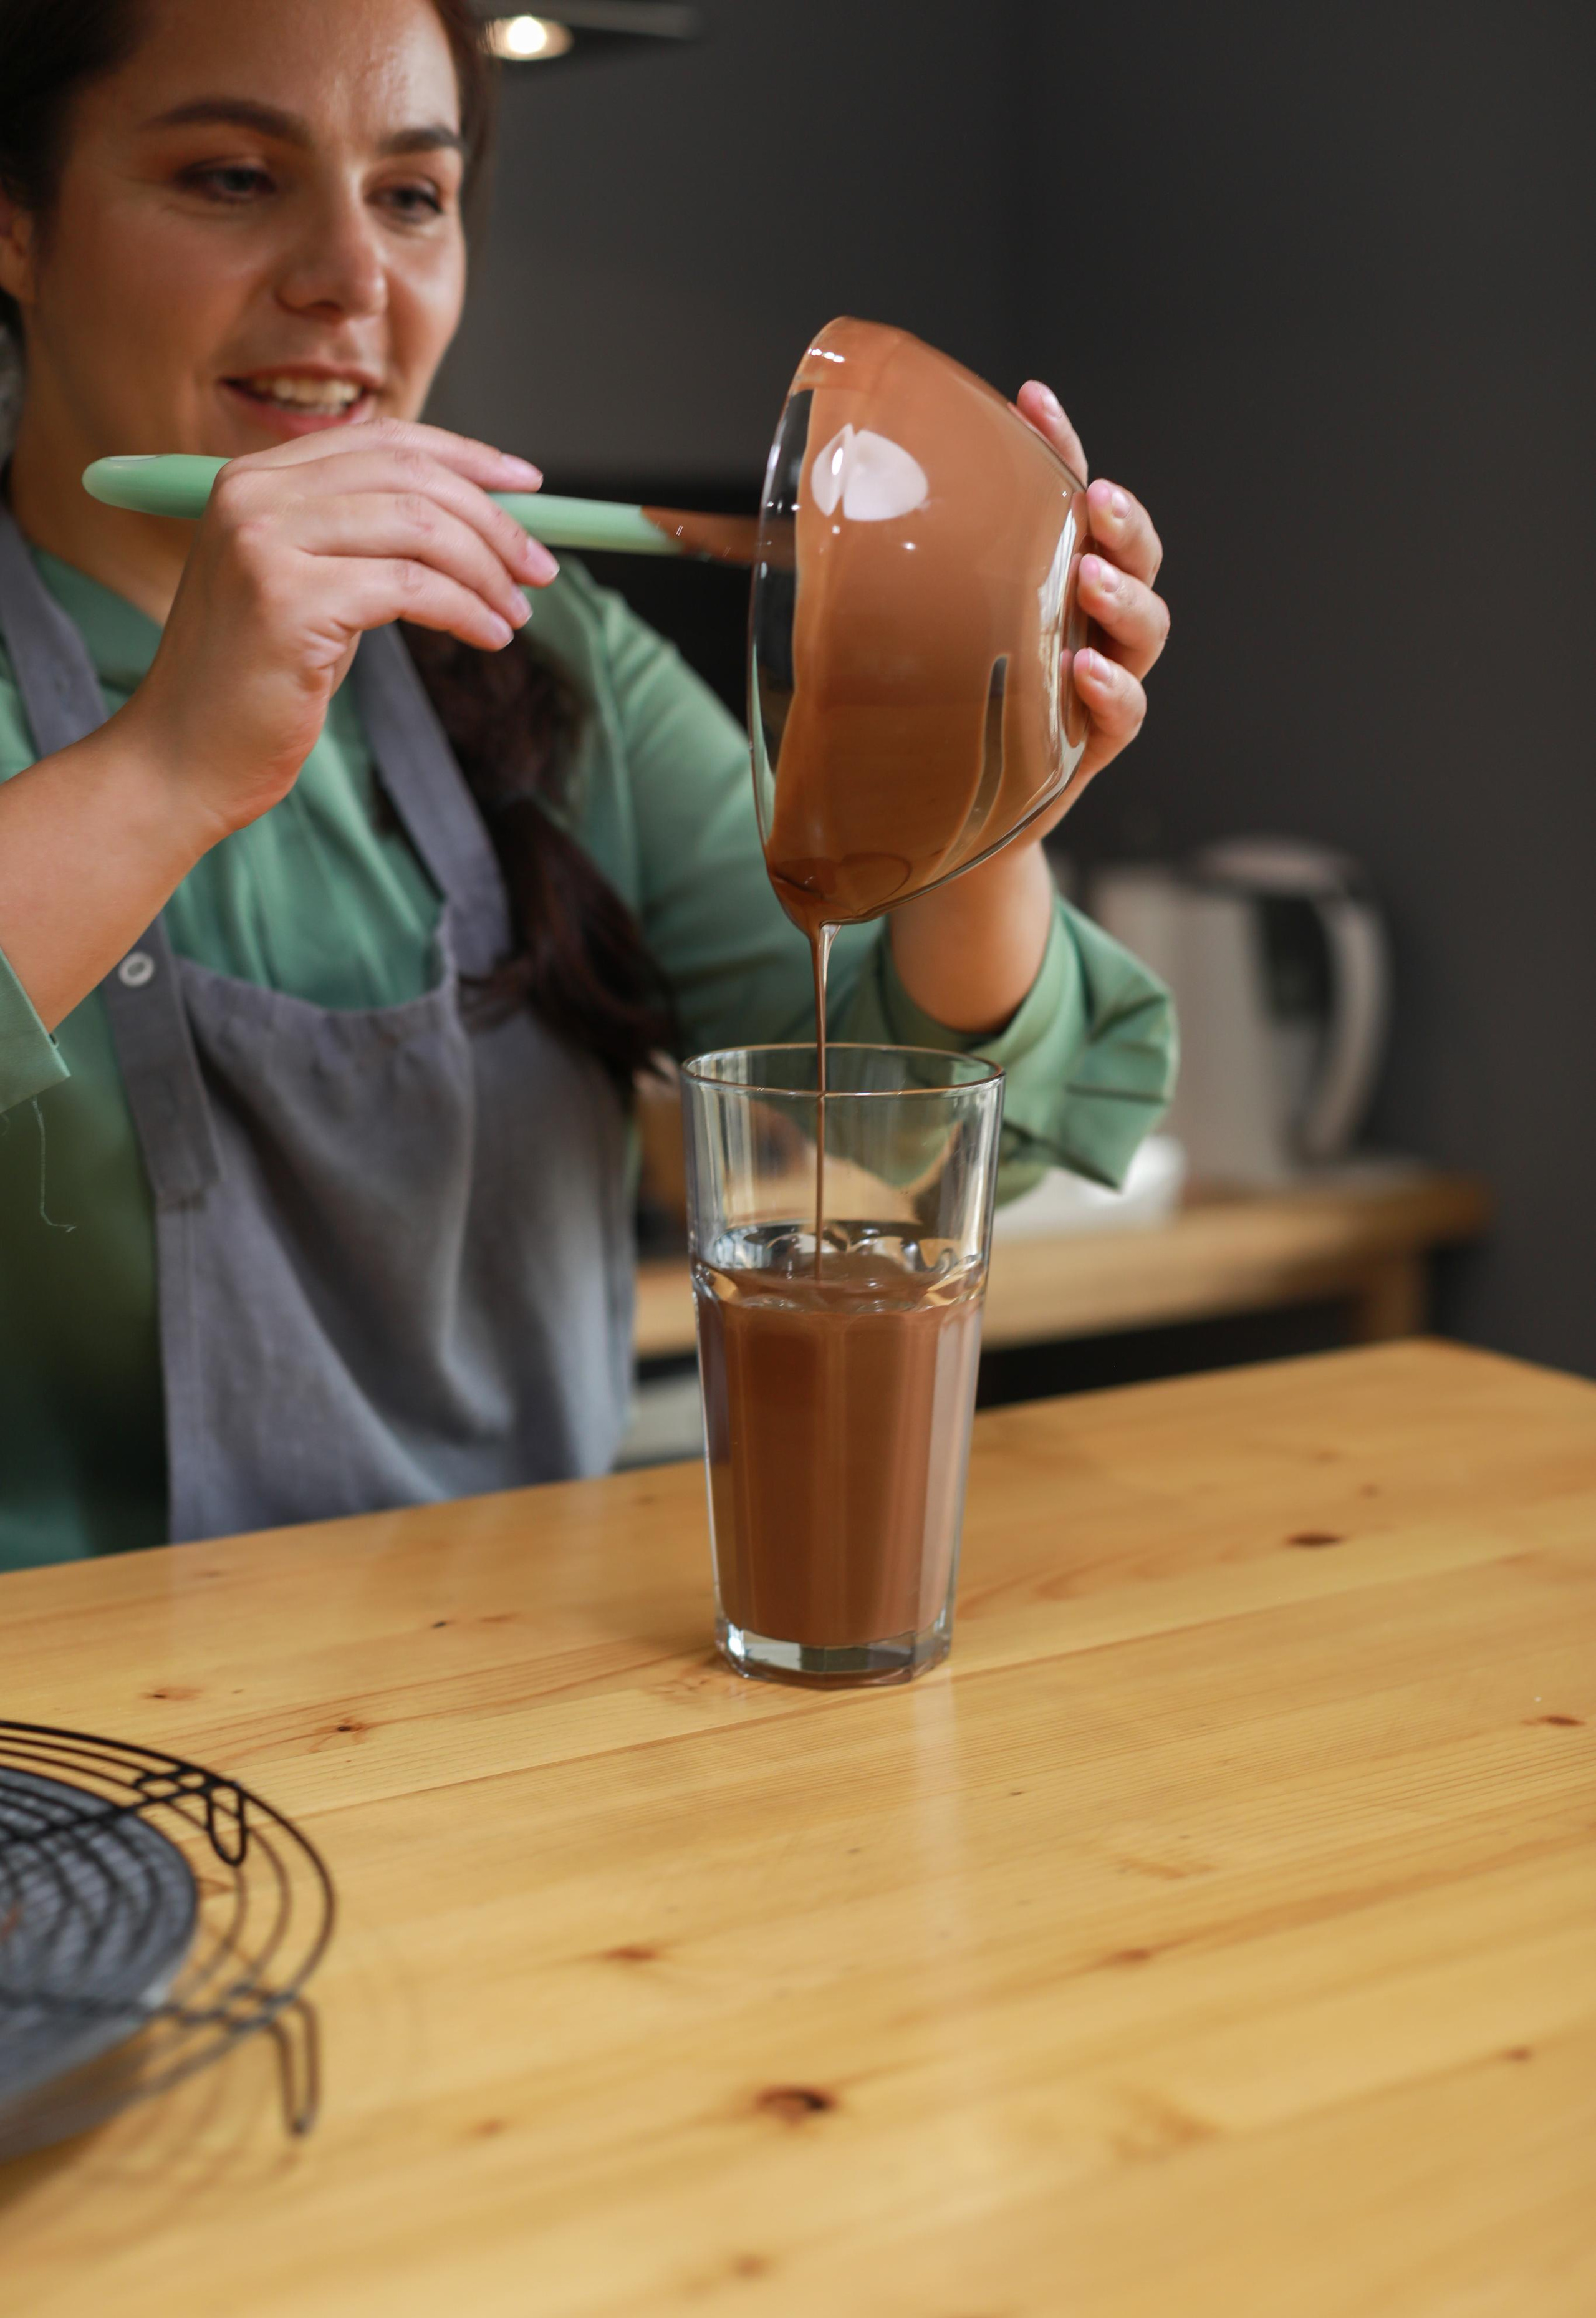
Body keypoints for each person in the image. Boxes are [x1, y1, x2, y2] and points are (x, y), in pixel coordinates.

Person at [0, 0, 1175, 1573]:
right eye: (229, 176)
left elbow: (899, 1130)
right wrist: (171, 760)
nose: (350, 279)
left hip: (530, 1711)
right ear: (16, 226)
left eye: (413, 195)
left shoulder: (555, 655)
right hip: (76, 1765)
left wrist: (970, 759)